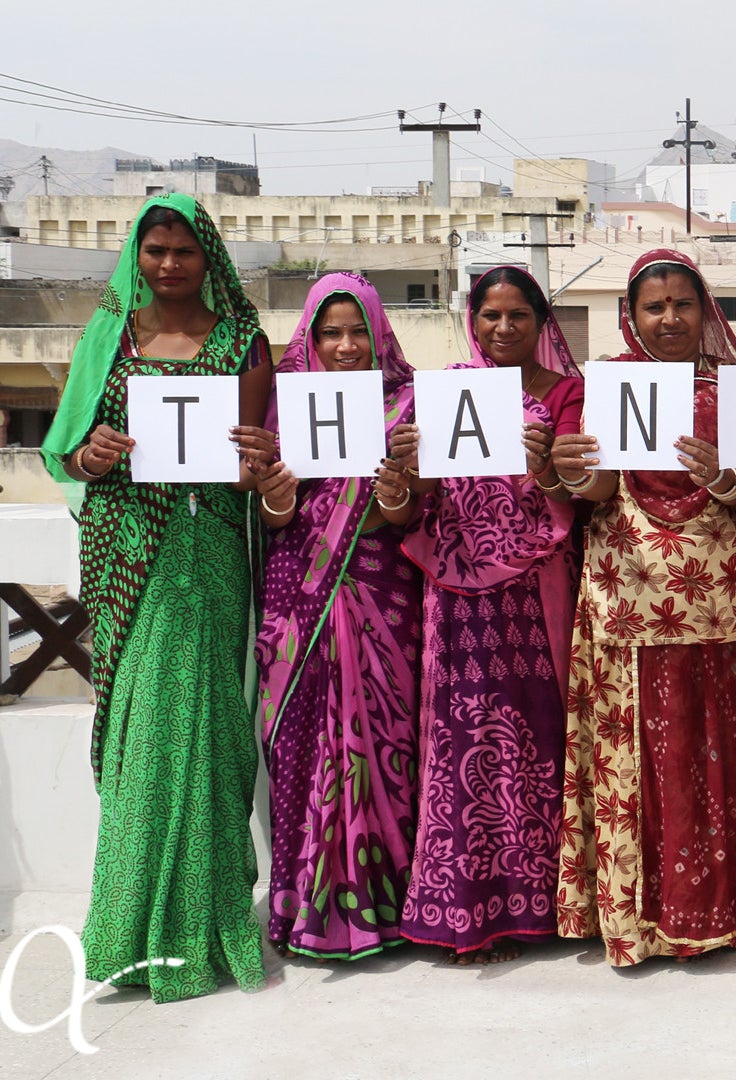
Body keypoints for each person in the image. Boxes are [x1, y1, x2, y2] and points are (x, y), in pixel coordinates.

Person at [41, 195, 271, 1002]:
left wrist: (257, 455)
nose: (169, 265)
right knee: (142, 733)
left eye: (184, 251)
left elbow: (252, 468)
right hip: (125, 554)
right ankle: (127, 929)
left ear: (209, 257)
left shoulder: (244, 341)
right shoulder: (108, 338)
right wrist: (91, 452)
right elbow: (62, 454)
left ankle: (204, 928)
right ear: (135, 256)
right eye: (154, 250)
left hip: (206, 551)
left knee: (204, 731)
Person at [548, 250, 736, 965]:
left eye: (683, 303)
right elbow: (593, 490)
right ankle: (638, 919)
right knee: (638, 757)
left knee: (715, 747)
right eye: (654, 306)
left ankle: (727, 910)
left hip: (718, 597)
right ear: (633, 315)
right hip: (627, 592)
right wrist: (572, 471)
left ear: (705, 310)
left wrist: (723, 479)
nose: (670, 318)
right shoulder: (608, 387)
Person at [394, 265, 584, 965]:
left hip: (538, 588)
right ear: (472, 322)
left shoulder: (567, 393)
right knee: (459, 737)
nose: (503, 329)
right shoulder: (445, 391)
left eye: (519, 317)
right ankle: (469, 913)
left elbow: (580, 488)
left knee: (542, 732)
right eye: (490, 316)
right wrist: (409, 471)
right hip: (456, 589)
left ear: (541, 324)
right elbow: (414, 502)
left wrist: (549, 470)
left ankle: (547, 905)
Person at [251, 273, 423, 961]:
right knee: (299, 743)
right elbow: (271, 523)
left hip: (384, 597)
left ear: (380, 335)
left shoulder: (409, 406)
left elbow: (409, 520)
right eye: (331, 332)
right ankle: (305, 907)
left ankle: (391, 903)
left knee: (391, 743)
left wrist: (397, 491)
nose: (348, 346)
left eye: (360, 331)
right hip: (299, 601)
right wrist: (275, 496)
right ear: (311, 339)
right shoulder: (284, 414)